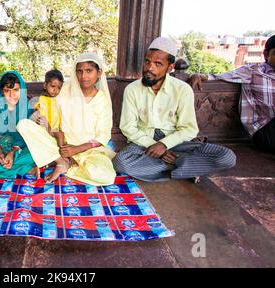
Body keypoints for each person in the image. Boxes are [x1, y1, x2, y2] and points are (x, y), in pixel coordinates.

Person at [113, 37, 236, 183]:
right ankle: (179, 168)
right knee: (120, 163)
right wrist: (155, 147)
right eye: (147, 61)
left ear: (170, 68)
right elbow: (128, 127)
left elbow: (188, 129)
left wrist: (164, 145)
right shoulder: (132, 89)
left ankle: (167, 166)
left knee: (227, 157)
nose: (149, 68)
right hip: (143, 145)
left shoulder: (182, 90)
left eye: (158, 64)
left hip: (177, 144)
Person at [17, 52, 116, 185]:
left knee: (106, 176)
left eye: (89, 71)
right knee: (23, 124)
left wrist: (75, 149)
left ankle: (67, 166)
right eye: (79, 71)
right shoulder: (64, 90)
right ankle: (61, 161)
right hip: (60, 146)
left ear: (98, 73)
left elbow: (103, 135)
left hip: (90, 151)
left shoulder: (102, 100)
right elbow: (49, 107)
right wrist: (40, 118)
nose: (83, 76)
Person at [189, 35, 275, 153]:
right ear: (266, 54)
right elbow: (221, 76)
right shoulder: (253, 71)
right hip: (263, 130)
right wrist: (199, 76)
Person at [30, 69, 65, 150]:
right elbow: (36, 114)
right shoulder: (41, 99)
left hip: (54, 129)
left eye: (59, 88)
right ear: (45, 85)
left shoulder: (58, 99)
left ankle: (63, 153)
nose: (55, 90)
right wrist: (37, 120)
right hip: (43, 127)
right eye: (52, 86)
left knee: (60, 135)